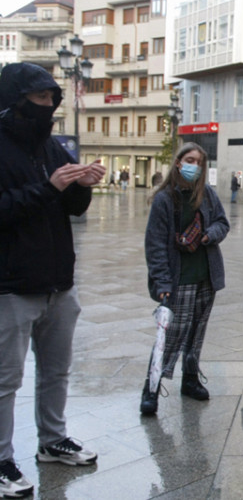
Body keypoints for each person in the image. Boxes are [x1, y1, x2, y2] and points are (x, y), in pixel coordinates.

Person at [0, 62, 106, 498]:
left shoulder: (52, 146)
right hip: (11, 285)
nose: (48, 106)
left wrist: (83, 184)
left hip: (58, 282)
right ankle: (2, 458)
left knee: (56, 370)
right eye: (40, 99)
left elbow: (72, 208)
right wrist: (48, 188)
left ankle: (52, 440)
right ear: (16, 99)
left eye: (52, 99)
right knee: (5, 380)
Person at [141, 142, 230, 415]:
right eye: (190, 160)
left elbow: (222, 223)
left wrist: (209, 235)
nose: (195, 166)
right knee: (171, 335)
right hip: (179, 279)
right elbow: (155, 245)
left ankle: (189, 379)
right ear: (178, 162)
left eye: (200, 162)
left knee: (197, 331)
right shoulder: (165, 199)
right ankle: (152, 387)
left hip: (206, 276)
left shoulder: (208, 195)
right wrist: (163, 283)